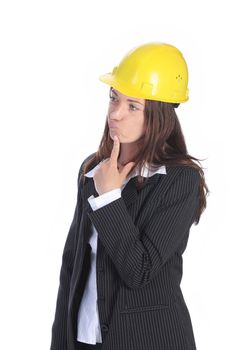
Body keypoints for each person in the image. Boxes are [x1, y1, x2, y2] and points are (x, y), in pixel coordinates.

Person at [50, 42, 209, 350]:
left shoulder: (178, 181)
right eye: (114, 98)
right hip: (85, 338)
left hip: (148, 340)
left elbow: (140, 271)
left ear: (159, 114)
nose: (116, 114)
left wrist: (109, 198)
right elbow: (72, 267)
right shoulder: (93, 169)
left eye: (133, 106)